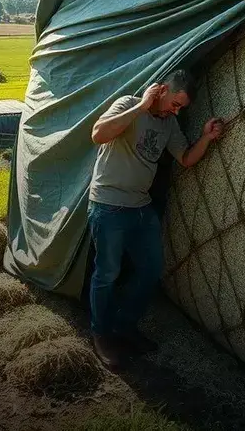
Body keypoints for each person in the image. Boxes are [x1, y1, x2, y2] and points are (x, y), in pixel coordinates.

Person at [87, 69, 225, 369]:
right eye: (175, 103)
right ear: (160, 90)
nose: (176, 111)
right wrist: (141, 106)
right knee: (107, 273)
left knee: (150, 270)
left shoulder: (170, 124)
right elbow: (98, 134)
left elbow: (186, 159)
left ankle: (124, 326)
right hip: (108, 205)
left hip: (140, 207)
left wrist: (206, 137)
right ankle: (101, 335)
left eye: (181, 108)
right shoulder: (127, 105)